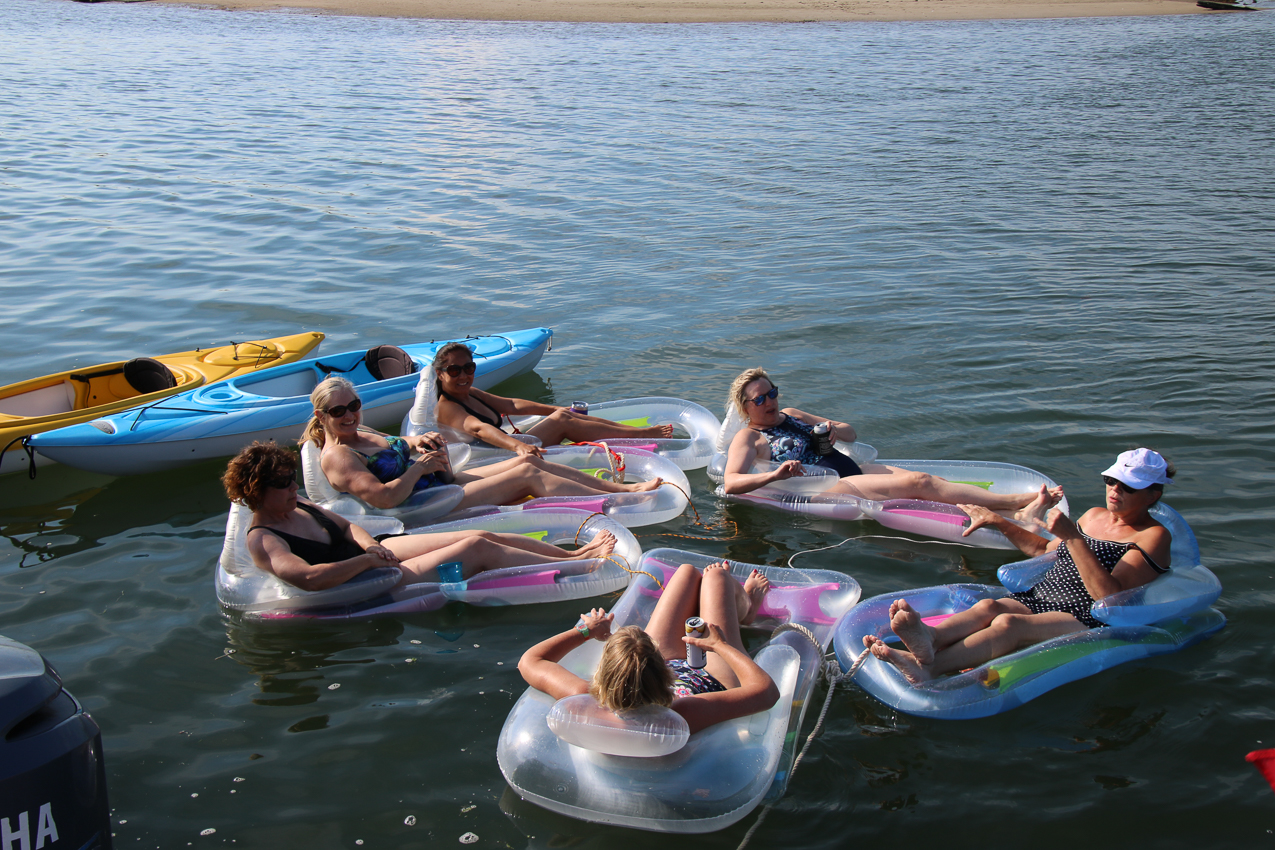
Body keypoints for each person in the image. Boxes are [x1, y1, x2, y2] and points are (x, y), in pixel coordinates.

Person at [864, 448, 1176, 683]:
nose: (1114, 490)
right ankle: (929, 639)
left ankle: (929, 668)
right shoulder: (1094, 516)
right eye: (1111, 480)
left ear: (1153, 495)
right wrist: (997, 521)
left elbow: (1109, 598)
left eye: (1128, 486)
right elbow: (1044, 549)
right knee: (989, 607)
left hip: (1087, 615)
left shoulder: (1154, 536)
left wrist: (1073, 538)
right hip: (1044, 595)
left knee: (1008, 625)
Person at [221, 441, 618, 591]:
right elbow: (308, 578)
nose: (295, 488)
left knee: (484, 533)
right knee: (476, 547)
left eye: (293, 480)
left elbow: (347, 525)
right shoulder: (264, 539)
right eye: (284, 484)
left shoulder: (300, 506)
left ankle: (568, 556)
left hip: (377, 554)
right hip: (366, 578)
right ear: (257, 492)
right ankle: (579, 569)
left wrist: (370, 544)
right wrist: (365, 560)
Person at [722, 367, 1060, 518]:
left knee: (933, 481)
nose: (770, 401)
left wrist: (834, 428)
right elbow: (732, 482)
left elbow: (851, 433)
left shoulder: (793, 413)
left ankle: (994, 509)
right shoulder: (749, 437)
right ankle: (1014, 503)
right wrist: (775, 475)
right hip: (824, 486)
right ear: (745, 407)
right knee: (920, 482)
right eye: (760, 398)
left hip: (847, 468)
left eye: (772, 392)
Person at [301, 377, 663, 513]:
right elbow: (383, 498)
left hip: (439, 483)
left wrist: (420, 442)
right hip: (419, 507)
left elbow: (402, 442)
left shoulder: (364, 433)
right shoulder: (338, 457)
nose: (349, 415)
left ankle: (619, 488)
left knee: (531, 463)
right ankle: (619, 498)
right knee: (528, 477)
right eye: (338, 411)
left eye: (354, 406)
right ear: (322, 415)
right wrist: (418, 469)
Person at [518, 562, 779, 734]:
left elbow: (530, 661)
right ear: (662, 670)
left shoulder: (585, 700)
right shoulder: (682, 713)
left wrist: (585, 630)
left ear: (604, 674)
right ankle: (747, 610)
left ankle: (712, 597)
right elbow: (766, 693)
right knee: (715, 577)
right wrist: (720, 646)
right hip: (709, 680)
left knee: (687, 572)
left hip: (651, 681)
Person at [431, 341, 673, 457]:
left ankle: (633, 432)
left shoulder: (468, 392)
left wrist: (557, 408)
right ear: (440, 374)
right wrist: (519, 445)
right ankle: (641, 434)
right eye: (454, 371)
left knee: (562, 415)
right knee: (562, 422)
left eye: (468, 368)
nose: (463, 375)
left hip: (503, 447)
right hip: (496, 457)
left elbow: (511, 405)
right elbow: (480, 429)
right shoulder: (448, 407)